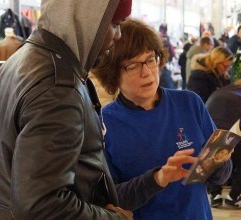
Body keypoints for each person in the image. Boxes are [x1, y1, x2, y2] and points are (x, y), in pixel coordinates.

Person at [0, 0, 134, 219]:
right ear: (88, 19)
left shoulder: (15, 66)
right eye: (115, 24)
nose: (117, 35)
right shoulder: (58, 87)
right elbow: (42, 205)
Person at [92, 18, 232, 220]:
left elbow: (222, 177)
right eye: (132, 65)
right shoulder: (105, 123)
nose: (147, 72)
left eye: (150, 59)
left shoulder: (190, 103)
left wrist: (219, 161)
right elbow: (111, 199)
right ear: (113, 73)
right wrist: (158, 178)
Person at [205, 79, 241, 208]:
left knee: (216, 158)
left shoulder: (217, 93)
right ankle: (235, 196)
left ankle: (214, 195)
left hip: (210, 136)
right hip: (232, 137)